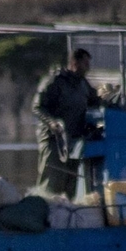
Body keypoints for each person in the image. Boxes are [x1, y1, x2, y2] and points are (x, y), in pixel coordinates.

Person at [32, 48, 103, 198]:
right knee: (51, 184)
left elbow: (95, 101)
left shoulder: (83, 84)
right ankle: (44, 214)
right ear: (74, 63)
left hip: (74, 142)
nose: (88, 67)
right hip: (54, 141)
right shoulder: (55, 81)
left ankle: (65, 217)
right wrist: (52, 123)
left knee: (69, 187)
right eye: (85, 63)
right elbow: (37, 107)